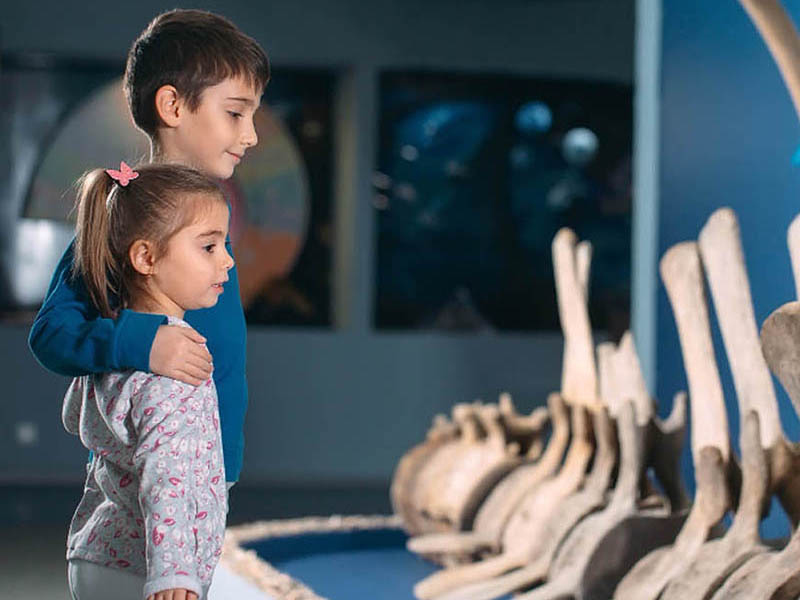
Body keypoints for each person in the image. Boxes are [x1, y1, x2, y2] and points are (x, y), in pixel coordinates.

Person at [28, 9, 270, 487]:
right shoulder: (126, 222)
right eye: (236, 112)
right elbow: (52, 333)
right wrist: (142, 342)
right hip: (151, 481)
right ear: (173, 107)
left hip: (211, 477)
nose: (252, 134)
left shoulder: (213, 221)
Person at [64, 162, 234, 600]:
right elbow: (167, 472)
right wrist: (174, 574)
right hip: (143, 570)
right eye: (209, 247)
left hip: (95, 553)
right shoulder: (177, 361)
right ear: (146, 258)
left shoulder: (116, 338)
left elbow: (74, 416)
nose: (228, 261)